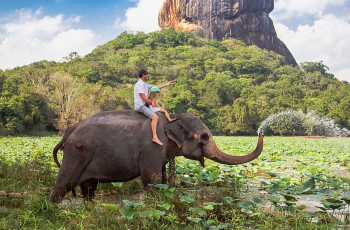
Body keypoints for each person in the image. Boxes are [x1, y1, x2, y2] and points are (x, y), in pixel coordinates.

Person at [134, 69, 175, 146]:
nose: (148, 76)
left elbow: (155, 87)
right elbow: (144, 99)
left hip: (145, 104)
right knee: (155, 117)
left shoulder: (144, 84)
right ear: (143, 75)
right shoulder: (139, 85)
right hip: (141, 106)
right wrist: (153, 103)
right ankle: (154, 137)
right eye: (147, 74)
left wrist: (168, 84)